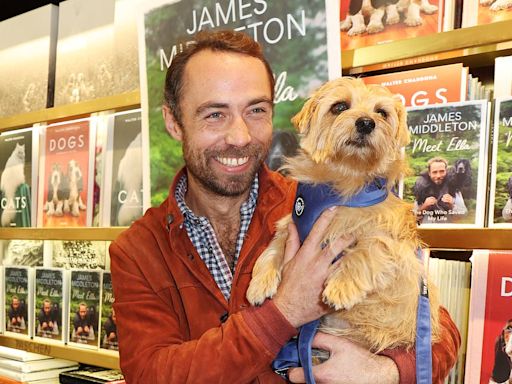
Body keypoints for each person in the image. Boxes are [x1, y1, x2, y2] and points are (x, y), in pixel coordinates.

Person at [110, 30, 460, 383]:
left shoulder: (317, 204)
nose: (240, 136)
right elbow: (150, 374)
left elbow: (442, 332)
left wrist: (386, 371)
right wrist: (284, 312)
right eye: (214, 114)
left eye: (256, 110)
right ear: (174, 122)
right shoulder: (138, 252)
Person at [413, 157, 455, 224]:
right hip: (426, 232)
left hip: (447, 232)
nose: (438, 175)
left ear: (446, 171)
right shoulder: (421, 189)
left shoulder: (453, 188)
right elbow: (412, 218)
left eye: (442, 171)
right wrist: (424, 207)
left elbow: (463, 217)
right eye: (434, 172)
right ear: (429, 173)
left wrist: (451, 205)